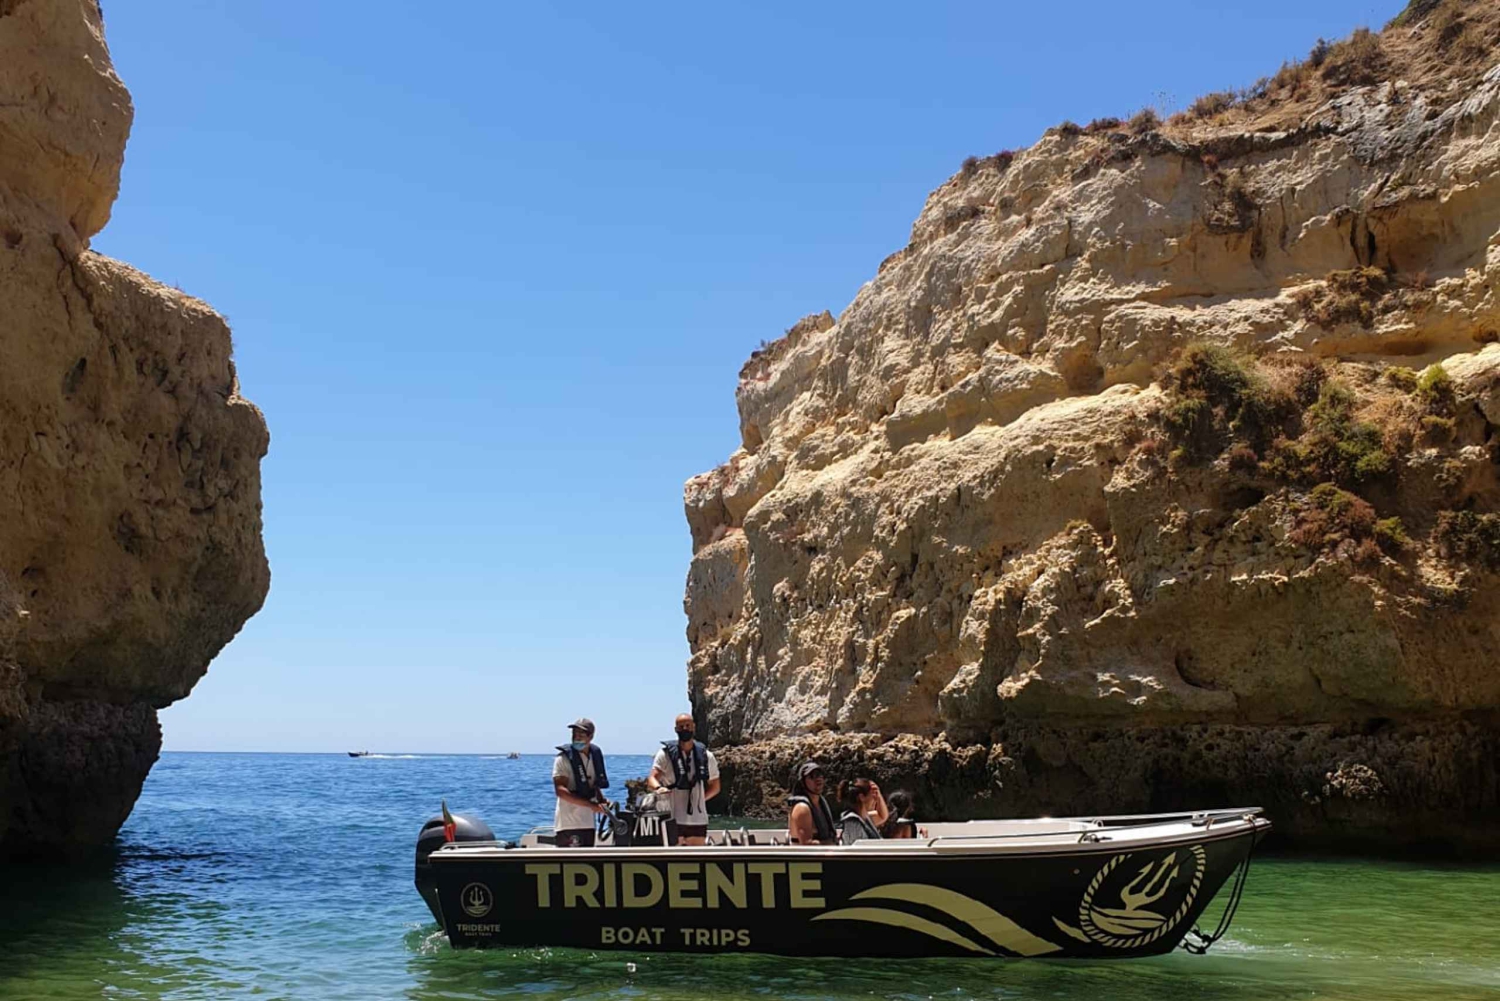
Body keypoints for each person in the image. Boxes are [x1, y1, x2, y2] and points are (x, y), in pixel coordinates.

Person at [646, 712, 720, 845]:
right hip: (672, 818)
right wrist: (659, 788)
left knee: (697, 859)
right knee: (674, 857)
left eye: (687, 726)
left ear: (694, 727)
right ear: (676, 730)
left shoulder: (706, 756)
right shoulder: (665, 754)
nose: (684, 729)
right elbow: (652, 778)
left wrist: (701, 799)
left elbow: (715, 786)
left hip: (698, 819)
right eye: (681, 727)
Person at [552, 717, 609, 847]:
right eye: (574, 733)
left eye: (581, 734)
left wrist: (602, 802)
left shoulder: (594, 756)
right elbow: (560, 791)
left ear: (591, 736)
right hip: (568, 823)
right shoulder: (563, 758)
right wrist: (591, 805)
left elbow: (593, 785)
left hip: (588, 823)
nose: (577, 737)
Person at [786, 761, 838, 845]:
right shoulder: (802, 808)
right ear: (803, 782)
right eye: (812, 776)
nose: (818, 779)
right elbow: (807, 845)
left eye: (820, 775)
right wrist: (831, 843)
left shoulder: (821, 803)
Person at [837, 777, 889, 844]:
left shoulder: (864, 818)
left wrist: (879, 794)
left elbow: (882, 817)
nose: (876, 799)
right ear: (861, 797)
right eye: (872, 795)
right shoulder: (853, 822)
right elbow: (855, 851)